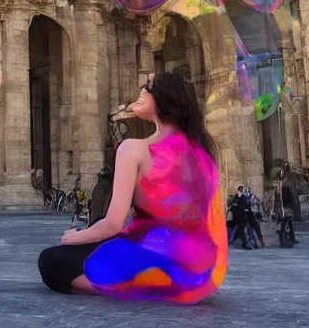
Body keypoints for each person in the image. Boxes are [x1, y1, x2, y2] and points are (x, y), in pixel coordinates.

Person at [38, 72, 227, 303]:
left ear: (162, 99)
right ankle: (155, 283)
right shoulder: (202, 153)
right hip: (200, 271)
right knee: (103, 247)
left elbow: (113, 224)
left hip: (155, 257)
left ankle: (136, 286)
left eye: (147, 87)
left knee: (51, 262)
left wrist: (74, 238)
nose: (141, 90)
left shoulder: (133, 149)